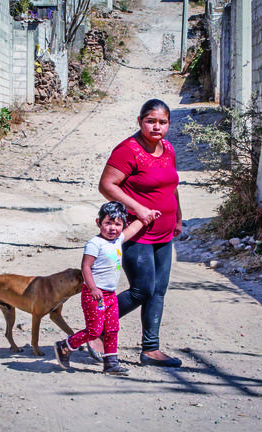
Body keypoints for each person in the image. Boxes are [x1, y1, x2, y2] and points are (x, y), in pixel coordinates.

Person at [92, 99, 183, 368]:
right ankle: (95, 330)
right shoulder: (127, 150)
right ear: (140, 121)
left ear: (168, 124)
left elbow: (172, 186)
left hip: (164, 232)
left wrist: (178, 216)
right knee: (142, 289)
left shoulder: (167, 148)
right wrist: (139, 208)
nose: (157, 127)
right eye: (151, 121)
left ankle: (151, 349)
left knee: (158, 291)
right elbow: (106, 185)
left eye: (162, 122)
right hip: (136, 231)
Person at [54, 201, 159, 375]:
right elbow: (86, 267)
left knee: (112, 329)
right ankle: (65, 346)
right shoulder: (94, 244)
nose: (113, 228)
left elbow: (133, 229)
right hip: (94, 295)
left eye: (118, 224)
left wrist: (147, 218)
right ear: (98, 223)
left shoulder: (118, 240)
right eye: (108, 223)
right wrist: (93, 288)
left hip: (110, 295)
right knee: (94, 330)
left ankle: (110, 363)